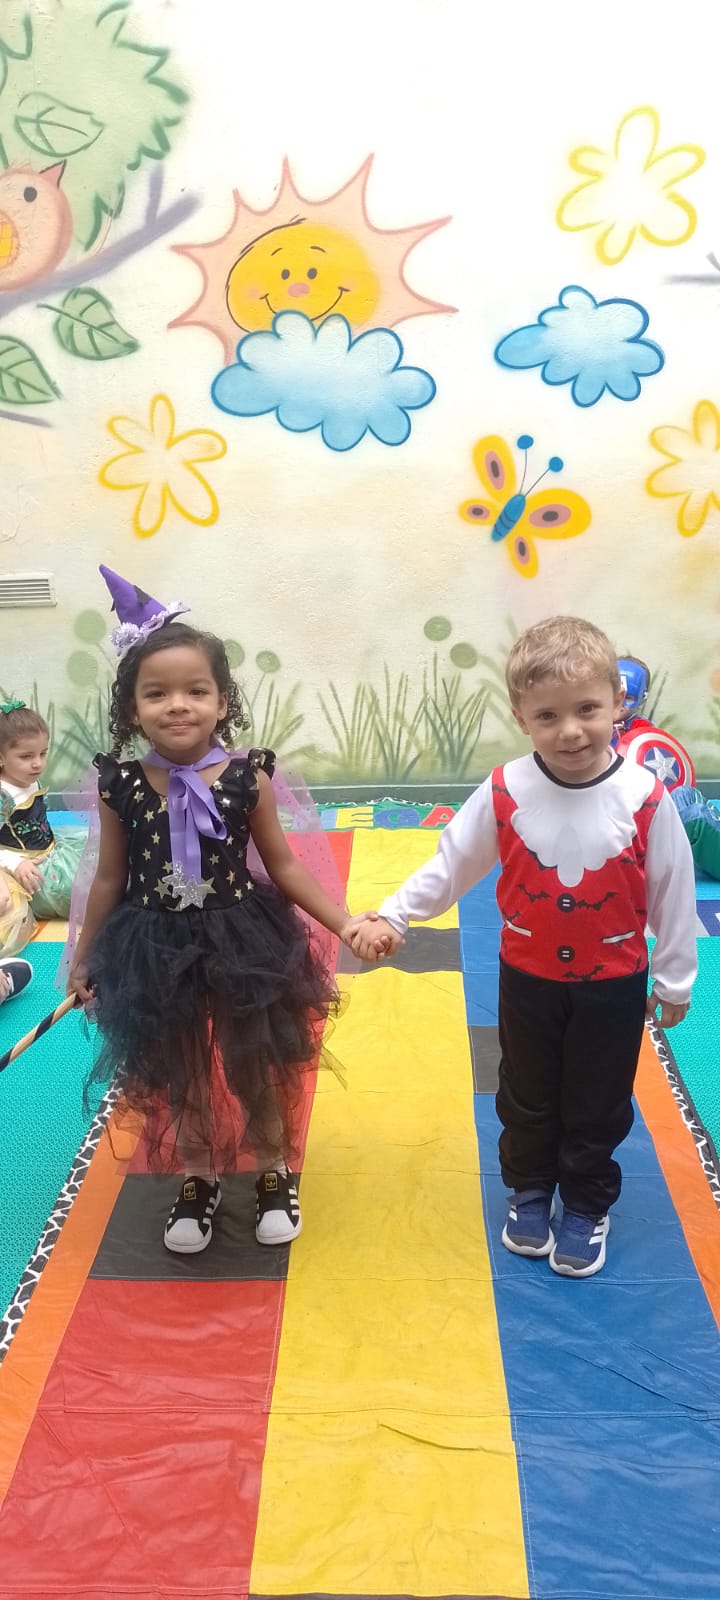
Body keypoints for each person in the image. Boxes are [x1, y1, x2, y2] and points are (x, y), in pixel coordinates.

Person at [348, 616, 697, 1278]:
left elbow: (673, 891)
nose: (571, 731)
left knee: (598, 1101)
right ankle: (530, 1191)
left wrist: (675, 980)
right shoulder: (506, 789)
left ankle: (586, 1204)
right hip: (528, 979)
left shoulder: (645, 797)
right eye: (548, 716)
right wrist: (395, 913)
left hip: (613, 984)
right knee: (526, 1093)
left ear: (618, 703)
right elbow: (452, 863)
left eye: (587, 709)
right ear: (521, 718)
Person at [66, 566, 359, 1256]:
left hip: (240, 938)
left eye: (196, 691)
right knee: (178, 1068)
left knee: (250, 1060)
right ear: (131, 707)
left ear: (223, 701)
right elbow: (108, 878)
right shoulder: (120, 786)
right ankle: (198, 1177)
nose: (178, 706)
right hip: (150, 942)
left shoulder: (248, 777)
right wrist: (83, 957)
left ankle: (273, 1169)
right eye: (157, 693)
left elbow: (284, 865)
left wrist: (344, 921)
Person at [0, 698, 86, 998]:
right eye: (26, 756)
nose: (38, 763)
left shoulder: (26, 778)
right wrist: (15, 864)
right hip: (22, 863)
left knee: (100, 858)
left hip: (53, 846)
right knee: (76, 891)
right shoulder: (2, 796)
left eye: (43, 753)